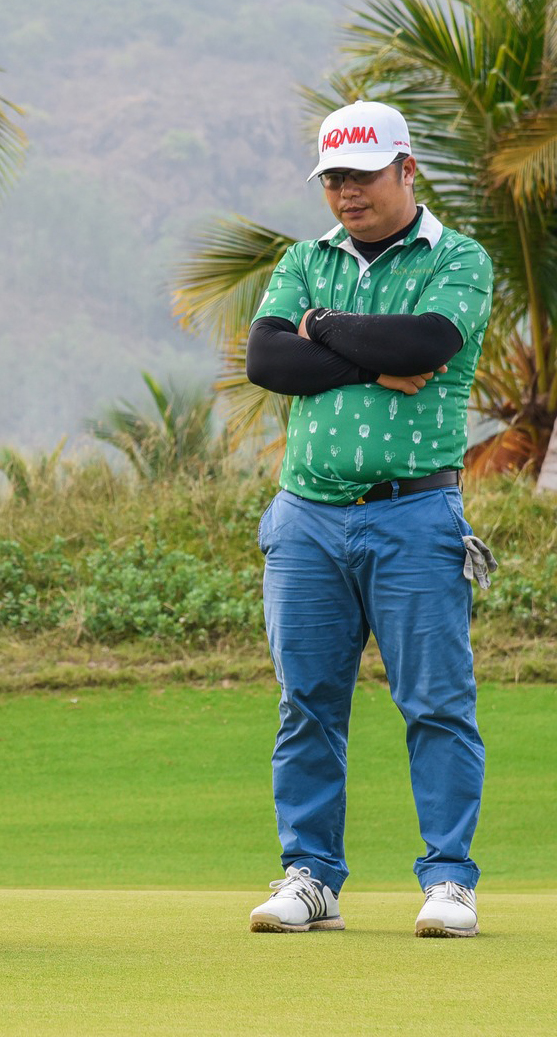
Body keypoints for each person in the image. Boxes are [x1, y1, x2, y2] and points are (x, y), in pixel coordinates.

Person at [244, 100, 495, 937]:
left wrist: (322, 333)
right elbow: (266, 358)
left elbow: (425, 343)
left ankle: (448, 879)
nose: (346, 192)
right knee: (306, 703)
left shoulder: (456, 257)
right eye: (333, 179)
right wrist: (360, 348)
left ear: (406, 169)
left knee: (434, 702)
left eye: (361, 174)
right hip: (304, 519)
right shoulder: (302, 258)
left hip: (415, 514)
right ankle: (310, 875)